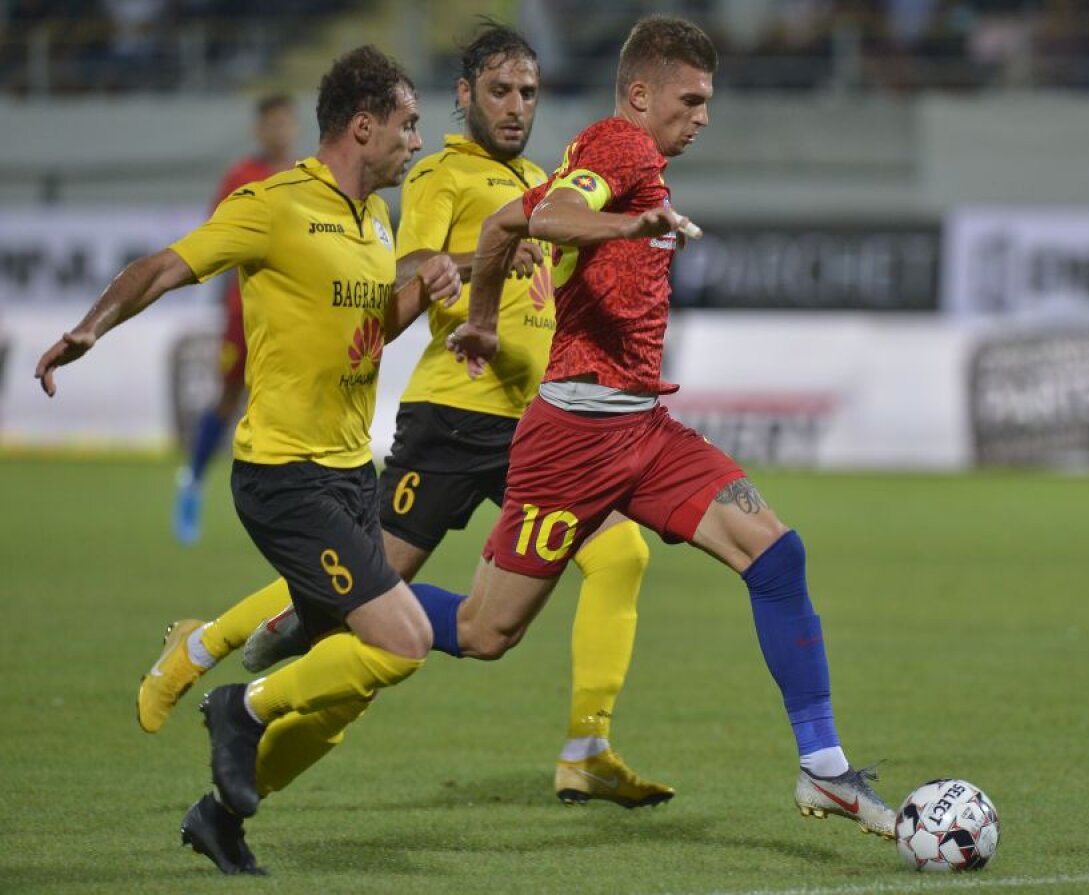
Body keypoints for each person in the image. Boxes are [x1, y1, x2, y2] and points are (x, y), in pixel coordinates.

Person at [135, 22, 672, 810]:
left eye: (528, 91)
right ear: (465, 96)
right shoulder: (439, 174)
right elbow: (410, 271)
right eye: (499, 90)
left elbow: (545, 274)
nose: (517, 105)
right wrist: (485, 255)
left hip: (535, 425)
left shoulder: (539, 180)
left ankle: (587, 744)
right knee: (359, 605)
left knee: (619, 553)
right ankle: (206, 644)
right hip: (451, 421)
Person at [428, 13, 898, 839]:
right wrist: (629, 225)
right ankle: (355, 597)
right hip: (572, 439)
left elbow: (505, 225)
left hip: (642, 428)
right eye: (693, 98)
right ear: (642, 94)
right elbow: (556, 217)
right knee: (484, 630)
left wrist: (485, 319)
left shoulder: (615, 151)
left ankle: (824, 769)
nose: (703, 116)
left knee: (776, 553)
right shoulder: (623, 147)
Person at [35, 45, 461, 875]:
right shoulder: (273, 204)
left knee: (347, 695)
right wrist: (90, 327)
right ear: (362, 125)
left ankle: (220, 813)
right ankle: (241, 703)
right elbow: (165, 264)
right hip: (284, 475)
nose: (417, 139)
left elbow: (369, 333)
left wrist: (429, 282)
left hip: (350, 476)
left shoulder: (376, 221)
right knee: (402, 642)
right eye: (407, 124)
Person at [174, 93, 298, 546]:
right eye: (272, 123)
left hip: (295, 315)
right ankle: (192, 482)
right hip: (243, 312)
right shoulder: (241, 178)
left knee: (290, 400)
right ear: (259, 129)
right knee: (229, 397)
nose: (279, 130)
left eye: (286, 122)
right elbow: (216, 241)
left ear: (295, 127)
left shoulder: (308, 178)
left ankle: (294, 501)